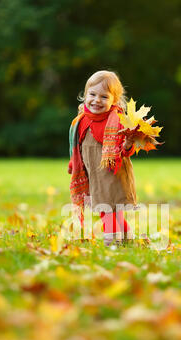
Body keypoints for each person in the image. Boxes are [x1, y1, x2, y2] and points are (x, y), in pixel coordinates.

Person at [67, 70, 139, 246]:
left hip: (112, 173)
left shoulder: (117, 121)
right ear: (85, 95)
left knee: (108, 207)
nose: (97, 100)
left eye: (104, 97)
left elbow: (125, 151)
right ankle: (127, 237)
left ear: (114, 100)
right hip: (93, 174)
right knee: (107, 207)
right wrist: (73, 164)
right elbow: (77, 146)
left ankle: (111, 239)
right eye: (92, 94)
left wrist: (128, 144)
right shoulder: (81, 120)